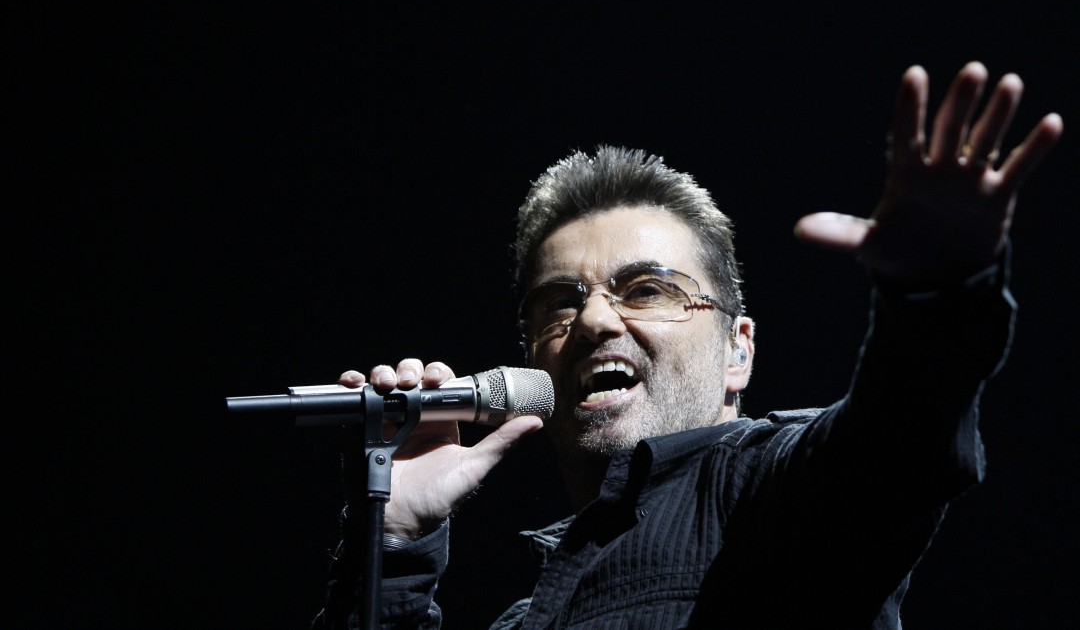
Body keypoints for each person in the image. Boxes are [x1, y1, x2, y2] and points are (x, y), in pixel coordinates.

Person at [312, 62, 1063, 629]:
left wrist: (936, 296)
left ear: (739, 351)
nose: (594, 320)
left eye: (646, 290)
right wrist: (394, 543)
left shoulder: (770, 494)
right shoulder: (523, 617)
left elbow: (895, 445)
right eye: (560, 303)